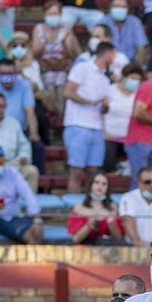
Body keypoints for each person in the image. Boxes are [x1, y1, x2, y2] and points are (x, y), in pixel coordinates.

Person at [63, 40, 116, 194]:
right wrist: (90, 102)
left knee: (94, 172)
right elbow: (68, 92)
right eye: (113, 55)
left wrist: (104, 106)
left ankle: (90, 205)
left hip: (97, 126)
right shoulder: (82, 68)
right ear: (106, 54)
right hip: (78, 124)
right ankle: (74, 210)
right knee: (77, 171)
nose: (114, 59)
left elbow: (103, 108)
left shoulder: (106, 78)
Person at [32, 2, 80, 115]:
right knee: (49, 89)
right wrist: (45, 41)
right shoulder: (38, 29)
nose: (53, 16)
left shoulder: (66, 30)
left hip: (63, 69)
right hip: (44, 69)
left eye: (56, 14)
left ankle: (61, 118)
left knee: (61, 89)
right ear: (44, 15)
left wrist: (65, 43)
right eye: (50, 14)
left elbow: (71, 54)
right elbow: (35, 53)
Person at [69, 171, 126, 245]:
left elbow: (118, 238)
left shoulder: (113, 207)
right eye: (96, 182)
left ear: (107, 188)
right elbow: (75, 239)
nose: (100, 186)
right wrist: (88, 226)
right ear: (90, 185)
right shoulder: (79, 208)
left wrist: (112, 224)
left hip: (107, 246)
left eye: (104, 184)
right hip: (85, 247)